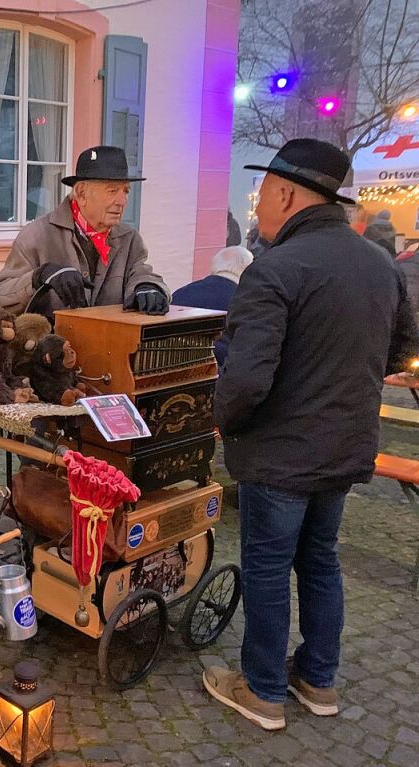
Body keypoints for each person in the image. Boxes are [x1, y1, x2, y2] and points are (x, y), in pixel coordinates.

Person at [203, 139, 419, 731]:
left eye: (262, 195)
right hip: (345, 446)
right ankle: (317, 680)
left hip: (282, 455)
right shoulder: (378, 263)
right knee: (320, 561)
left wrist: (225, 424)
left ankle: (264, 689)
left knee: (270, 567)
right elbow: (400, 347)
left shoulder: (274, 268)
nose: (257, 209)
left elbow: (245, 380)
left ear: (285, 193)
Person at [0, 145, 169, 321]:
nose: (122, 201)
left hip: (111, 346)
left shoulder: (129, 239)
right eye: (112, 191)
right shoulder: (37, 235)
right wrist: (38, 277)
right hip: (53, 347)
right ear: (81, 193)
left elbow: (140, 273)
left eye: (126, 191)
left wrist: (148, 286)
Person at [170, 246, 254, 364]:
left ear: (214, 266)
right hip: (221, 372)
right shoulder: (247, 301)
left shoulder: (181, 292)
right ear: (248, 270)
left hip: (174, 369)